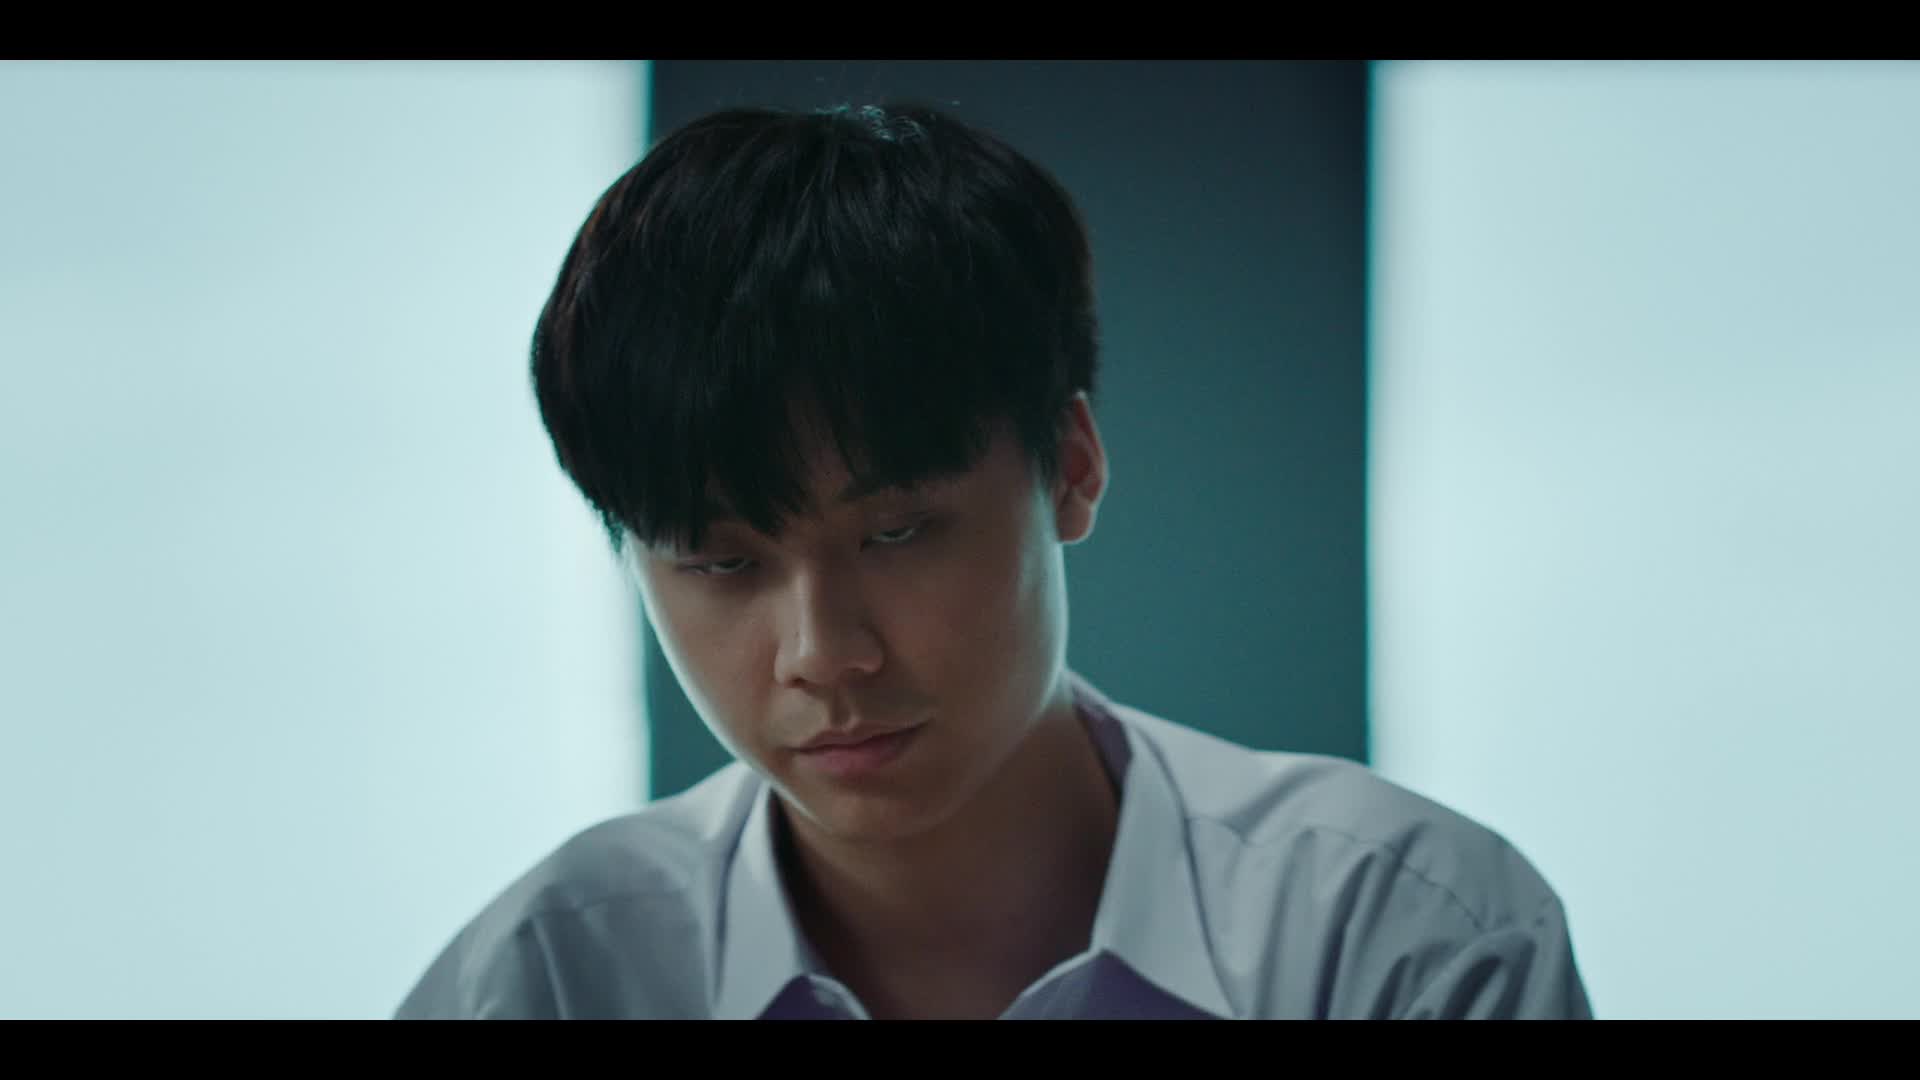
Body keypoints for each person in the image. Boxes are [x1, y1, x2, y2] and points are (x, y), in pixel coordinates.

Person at [393, 102, 1593, 1021]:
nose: (825, 655)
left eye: (895, 534)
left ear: (1071, 465)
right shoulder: (549, 980)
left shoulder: (1402, 941)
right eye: (721, 563)